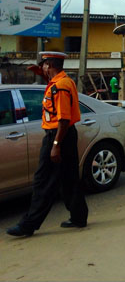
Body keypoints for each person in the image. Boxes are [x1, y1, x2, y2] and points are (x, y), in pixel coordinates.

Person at [6, 52, 88, 237]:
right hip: (66, 135)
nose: (42, 68)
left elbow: (64, 119)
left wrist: (56, 144)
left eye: (43, 65)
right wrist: (41, 73)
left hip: (58, 135)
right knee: (69, 179)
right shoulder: (64, 81)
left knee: (43, 182)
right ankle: (78, 217)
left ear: (49, 64)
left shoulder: (59, 87)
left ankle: (29, 224)